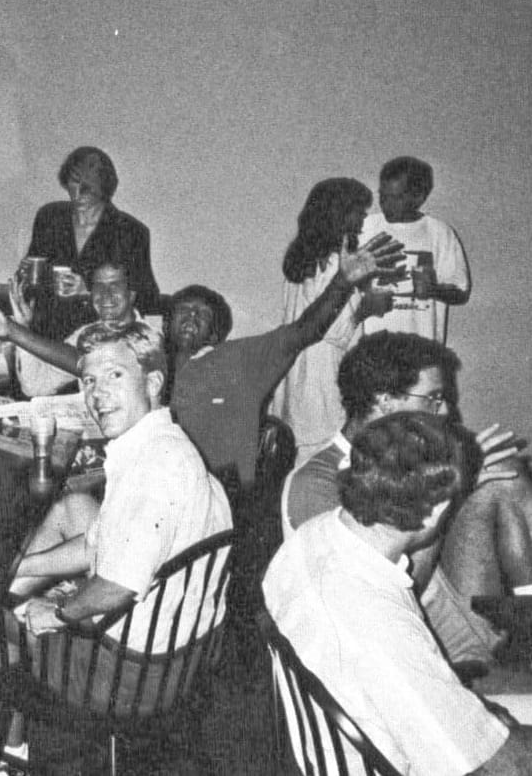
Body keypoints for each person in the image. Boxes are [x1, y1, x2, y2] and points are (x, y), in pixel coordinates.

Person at [0, 321, 231, 772]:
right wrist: (17, 569)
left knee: (9, 621)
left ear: (152, 382)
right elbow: (99, 542)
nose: (96, 393)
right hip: (188, 650)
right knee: (73, 507)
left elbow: (116, 585)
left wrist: (53, 612)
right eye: (89, 380)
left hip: (132, 675)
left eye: (115, 376)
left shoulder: (153, 472)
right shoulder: (162, 443)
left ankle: (9, 753)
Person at [263, 412, 532, 775]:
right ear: (437, 511)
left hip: (334, 746)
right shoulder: (378, 629)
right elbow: (502, 767)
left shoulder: (312, 537)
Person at [281, 330, 527, 669]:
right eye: (434, 397)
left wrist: (461, 484)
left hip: (438, 596)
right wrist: (450, 493)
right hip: (398, 634)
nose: (447, 411)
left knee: (504, 471)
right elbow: (387, 596)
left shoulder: (405, 450)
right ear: (385, 400)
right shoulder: (318, 483)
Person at [167, 231, 404, 496]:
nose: (191, 317)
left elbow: (304, 331)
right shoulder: (150, 368)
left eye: (201, 314)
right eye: (184, 309)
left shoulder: (235, 359)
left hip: (219, 496)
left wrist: (343, 281)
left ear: (215, 334)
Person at [269, 178, 373, 460]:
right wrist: (369, 308)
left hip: (296, 375)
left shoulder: (302, 258)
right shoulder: (333, 262)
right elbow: (334, 331)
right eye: (359, 212)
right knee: (324, 464)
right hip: (322, 378)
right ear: (340, 212)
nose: (363, 220)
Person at [24, 146, 162, 339]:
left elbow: (146, 299)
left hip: (101, 340)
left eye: (88, 185)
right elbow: (32, 278)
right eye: (74, 181)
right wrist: (26, 275)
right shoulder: (50, 217)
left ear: (104, 187)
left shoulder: (130, 231)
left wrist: (89, 291)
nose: (79, 191)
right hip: (45, 335)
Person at [0, 260, 146, 398]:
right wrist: (24, 328)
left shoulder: (147, 337)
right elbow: (36, 386)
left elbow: (86, 361)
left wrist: (15, 332)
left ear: (132, 294)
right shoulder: (87, 333)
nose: (105, 294)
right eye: (98, 286)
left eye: (115, 285)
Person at [359, 156, 470, 344]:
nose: (387, 205)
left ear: (419, 197)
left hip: (424, 350)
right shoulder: (364, 228)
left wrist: (433, 290)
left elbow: (461, 292)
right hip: (373, 352)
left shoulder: (440, 233)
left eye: (397, 198)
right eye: (383, 196)